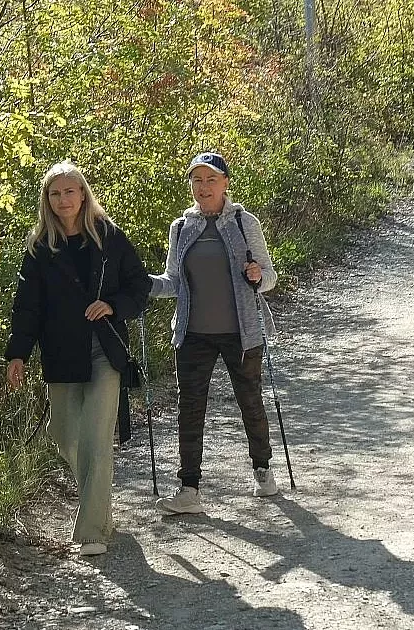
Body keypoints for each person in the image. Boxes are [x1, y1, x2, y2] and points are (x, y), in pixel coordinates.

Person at [5, 161, 151, 555]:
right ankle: (100, 509)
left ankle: (92, 532)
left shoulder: (109, 237)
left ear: (83, 194)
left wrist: (113, 305)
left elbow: (139, 286)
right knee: (65, 435)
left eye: (70, 191)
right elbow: (27, 306)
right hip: (61, 352)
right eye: (55, 193)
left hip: (105, 349)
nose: (63, 199)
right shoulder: (40, 248)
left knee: (96, 437)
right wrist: (18, 354)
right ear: (46, 200)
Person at [150, 152, 279, 515]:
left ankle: (262, 469)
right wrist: (143, 285)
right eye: (197, 180)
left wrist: (258, 276)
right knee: (189, 410)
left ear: (225, 184)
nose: (203, 187)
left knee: (250, 402)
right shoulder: (181, 227)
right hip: (192, 333)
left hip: (241, 332)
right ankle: (189, 489)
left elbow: (269, 277)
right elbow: (173, 281)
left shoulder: (244, 222)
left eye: (211, 180)